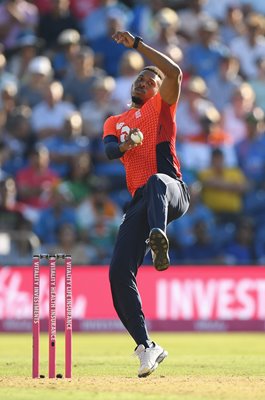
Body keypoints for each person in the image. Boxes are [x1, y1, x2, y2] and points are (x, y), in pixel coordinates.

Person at [103, 31, 190, 378]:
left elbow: (176, 74)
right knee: (117, 272)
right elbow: (109, 150)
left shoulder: (162, 107)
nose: (143, 82)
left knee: (156, 181)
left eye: (150, 80)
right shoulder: (116, 121)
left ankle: (157, 239)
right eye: (140, 78)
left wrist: (137, 45)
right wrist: (125, 146)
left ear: (159, 91)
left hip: (173, 192)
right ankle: (146, 347)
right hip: (140, 202)